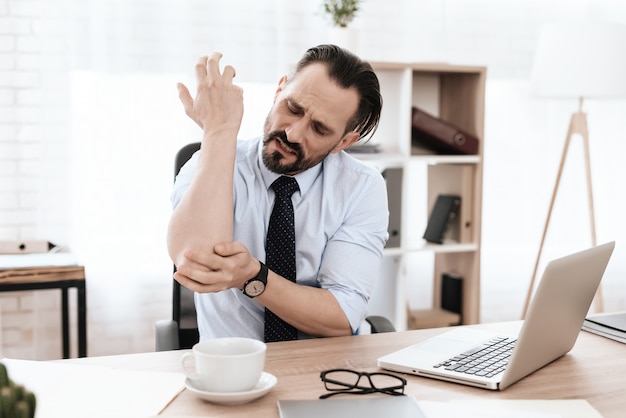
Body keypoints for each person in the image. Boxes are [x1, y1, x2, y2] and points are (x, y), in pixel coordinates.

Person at [167, 44, 388, 342]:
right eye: (292, 108)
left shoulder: (361, 186)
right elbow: (198, 265)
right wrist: (218, 131)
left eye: (319, 129)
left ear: (343, 142)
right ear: (279, 89)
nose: (293, 133)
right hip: (234, 370)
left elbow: (342, 317)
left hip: (328, 369)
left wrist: (252, 276)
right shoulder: (213, 160)